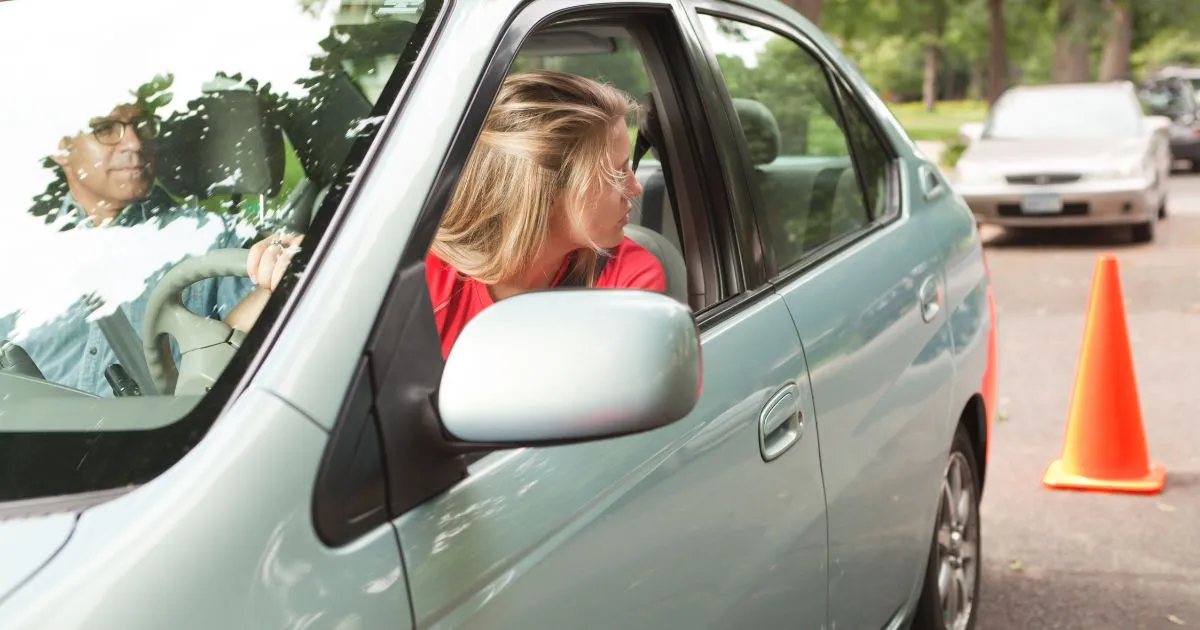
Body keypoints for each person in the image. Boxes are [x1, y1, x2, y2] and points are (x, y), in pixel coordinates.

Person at [0, 102, 299, 396]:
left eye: (142, 126)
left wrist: (276, 272)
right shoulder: (21, 250)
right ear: (62, 148)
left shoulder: (209, 237)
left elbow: (253, 340)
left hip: (160, 440)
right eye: (106, 129)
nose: (134, 142)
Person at [426, 70, 667, 358]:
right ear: (547, 192)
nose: (635, 187)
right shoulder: (425, 279)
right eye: (615, 174)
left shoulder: (629, 277)